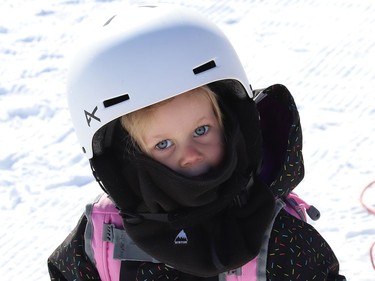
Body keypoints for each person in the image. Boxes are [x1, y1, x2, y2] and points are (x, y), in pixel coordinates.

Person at [48, 5, 346, 281]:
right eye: (163, 144)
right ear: (126, 162)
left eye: (201, 130)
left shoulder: (282, 239)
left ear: (233, 125)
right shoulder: (102, 235)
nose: (190, 155)